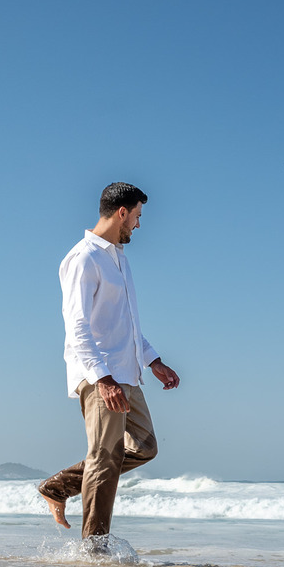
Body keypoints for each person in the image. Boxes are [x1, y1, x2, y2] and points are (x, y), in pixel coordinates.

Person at [37, 182, 180, 545]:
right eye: (137, 216)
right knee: (104, 456)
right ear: (122, 213)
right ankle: (94, 549)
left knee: (145, 446)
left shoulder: (120, 260)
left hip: (127, 373)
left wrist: (154, 360)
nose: (137, 225)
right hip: (101, 375)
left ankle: (59, 486)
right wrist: (102, 378)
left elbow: (127, 324)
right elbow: (77, 326)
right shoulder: (83, 258)